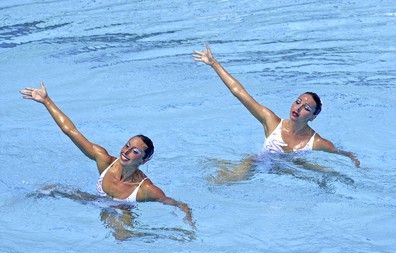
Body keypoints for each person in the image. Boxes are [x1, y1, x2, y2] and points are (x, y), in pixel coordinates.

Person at [19, 82, 193, 226]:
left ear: (143, 160)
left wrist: (187, 216)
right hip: (96, 201)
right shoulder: (103, 160)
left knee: (121, 235)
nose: (126, 151)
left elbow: (174, 203)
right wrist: (46, 101)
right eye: (127, 145)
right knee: (51, 189)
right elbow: (71, 131)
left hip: (123, 211)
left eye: (135, 151)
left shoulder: (145, 190)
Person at [193, 44, 360, 168]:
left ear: (313, 117)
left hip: (291, 173)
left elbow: (339, 153)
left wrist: (353, 159)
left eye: (306, 108)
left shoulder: (316, 142)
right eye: (298, 101)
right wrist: (214, 63)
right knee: (241, 167)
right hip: (258, 167)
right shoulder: (271, 122)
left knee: (324, 174)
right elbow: (239, 92)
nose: (298, 108)